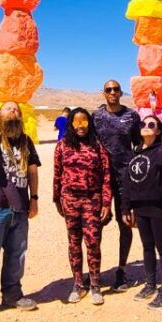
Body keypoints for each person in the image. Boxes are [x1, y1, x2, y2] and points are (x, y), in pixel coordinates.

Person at [0, 102, 40, 322]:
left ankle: (12, 295)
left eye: (16, 110)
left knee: (16, 255)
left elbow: (32, 172)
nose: (13, 111)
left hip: (20, 208)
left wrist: (34, 199)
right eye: (8, 108)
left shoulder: (26, 142)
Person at [53, 108, 111, 305]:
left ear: (89, 123)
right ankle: (78, 284)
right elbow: (57, 174)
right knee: (74, 243)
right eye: (76, 122)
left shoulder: (97, 146)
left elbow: (106, 177)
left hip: (92, 200)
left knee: (93, 242)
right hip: (69, 200)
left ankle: (95, 284)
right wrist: (56, 199)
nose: (80, 126)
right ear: (70, 124)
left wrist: (106, 202)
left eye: (84, 121)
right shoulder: (62, 146)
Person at [92, 80, 142, 292]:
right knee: (97, 224)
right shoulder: (96, 117)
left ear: (121, 92)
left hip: (125, 177)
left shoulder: (131, 116)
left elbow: (139, 144)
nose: (112, 92)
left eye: (116, 89)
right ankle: (96, 272)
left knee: (126, 223)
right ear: (103, 93)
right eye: (108, 90)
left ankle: (121, 270)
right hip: (100, 177)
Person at [121, 114, 162, 309]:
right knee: (147, 247)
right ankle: (151, 284)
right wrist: (126, 207)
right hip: (140, 208)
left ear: (158, 130)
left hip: (160, 207)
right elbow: (127, 182)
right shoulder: (135, 152)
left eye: (151, 124)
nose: (146, 126)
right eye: (143, 124)